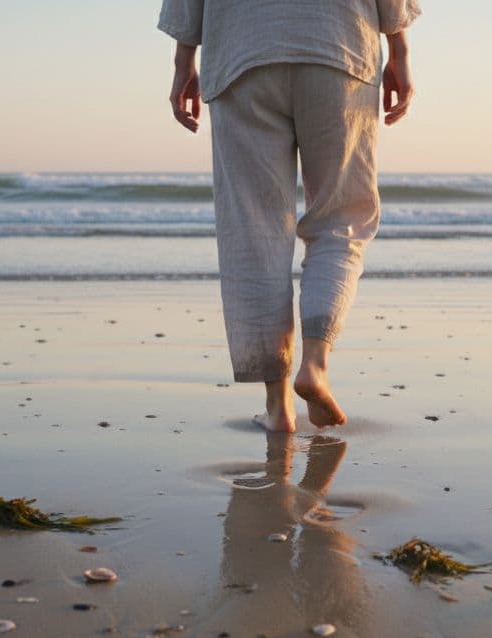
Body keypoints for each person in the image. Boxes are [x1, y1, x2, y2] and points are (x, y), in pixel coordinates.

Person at [158, 0, 420, 432]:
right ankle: (314, 364)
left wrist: (182, 61)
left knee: (254, 230)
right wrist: (400, 51)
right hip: (340, 48)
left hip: (241, 56)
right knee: (341, 219)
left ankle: (278, 407)